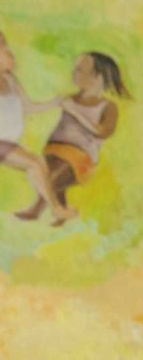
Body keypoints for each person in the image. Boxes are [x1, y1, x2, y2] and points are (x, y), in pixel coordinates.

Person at [15, 51, 129, 226]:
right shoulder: (69, 98)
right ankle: (62, 210)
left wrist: (75, 111)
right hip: (55, 150)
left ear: (98, 78)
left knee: (51, 178)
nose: (74, 74)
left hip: (81, 157)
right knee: (48, 173)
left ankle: (37, 209)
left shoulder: (107, 106)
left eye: (81, 70)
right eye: (75, 69)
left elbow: (102, 132)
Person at [0, 31, 77, 222]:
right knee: (35, 164)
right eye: (5, 51)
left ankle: (55, 208)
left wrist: (55, 102)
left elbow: (29, 107)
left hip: (7, 142)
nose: (11, 55)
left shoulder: (11, 81)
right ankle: (57, 209)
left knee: (36, 165)